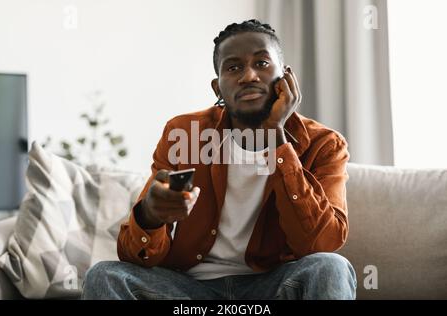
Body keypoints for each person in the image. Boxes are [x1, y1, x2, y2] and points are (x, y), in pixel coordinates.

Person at [82, 19, 356, 300]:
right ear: (218, 89)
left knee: (331, 267)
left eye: (261, 63)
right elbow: (135, 255)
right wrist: (150, 216)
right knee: (105, 275)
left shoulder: (324, 144)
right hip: (188, 291)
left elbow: (320, 243)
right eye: (233, 67)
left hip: (272, 287)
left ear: (286, 79)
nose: (248, 75)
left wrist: (276, 135)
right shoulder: (184, 134)